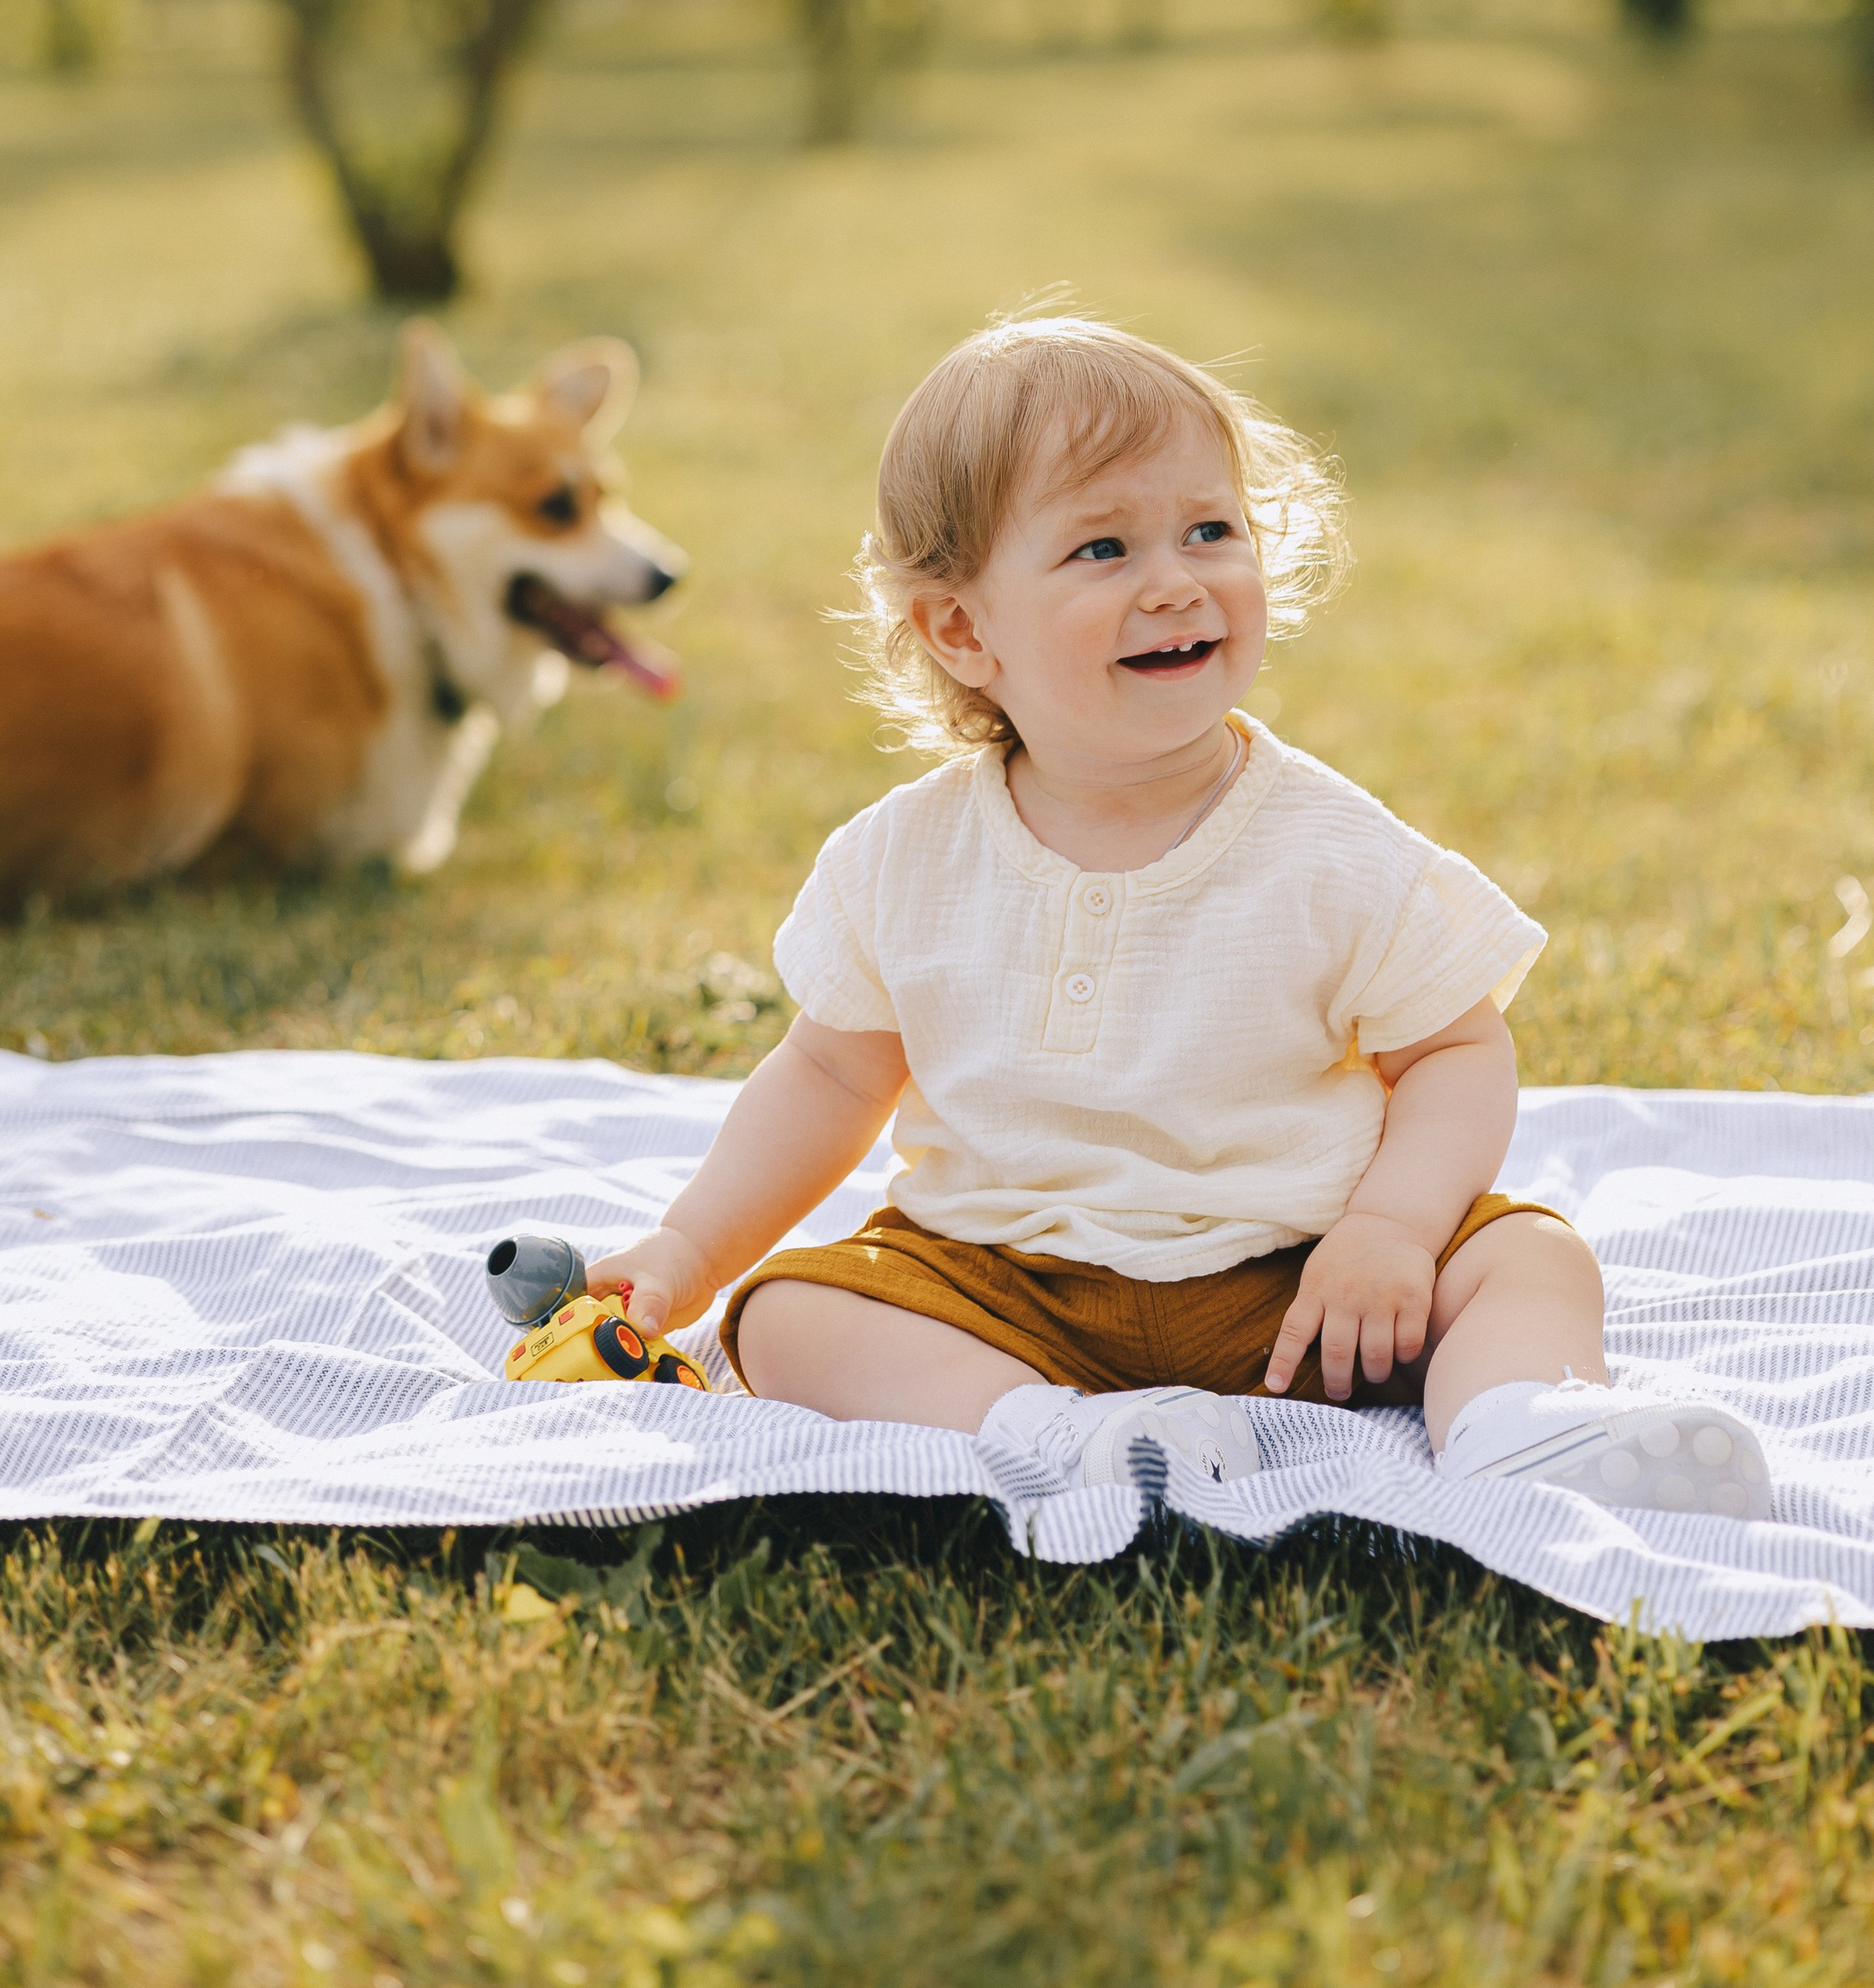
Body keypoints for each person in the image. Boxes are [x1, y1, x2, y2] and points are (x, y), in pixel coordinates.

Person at [591, 317, 1772, 1515]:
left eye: (1211, 530)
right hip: (1005, 1286)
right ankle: (1060, 1434)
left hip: (1299, 1284)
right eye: (1103, 546)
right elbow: (829, 1077)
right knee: (786, 1315)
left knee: (1528, 1255)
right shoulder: (901, 859)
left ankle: (1521, 1423)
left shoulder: (1329, 845)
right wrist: (689, 1252)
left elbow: (1456, 1051)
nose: (1176, 581)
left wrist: (1391, 1228)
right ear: (962, 629)